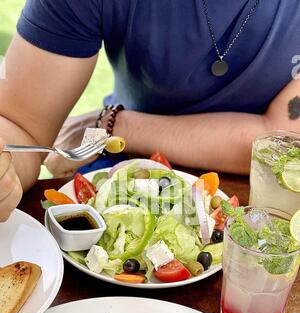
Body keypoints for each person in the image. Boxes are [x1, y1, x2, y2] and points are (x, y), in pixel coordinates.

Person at [0, 0, 300, 221]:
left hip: (267, 209)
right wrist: (5, 171)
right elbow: (20, 127)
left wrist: (113, 125)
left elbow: (283, 143)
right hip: (120, 176)